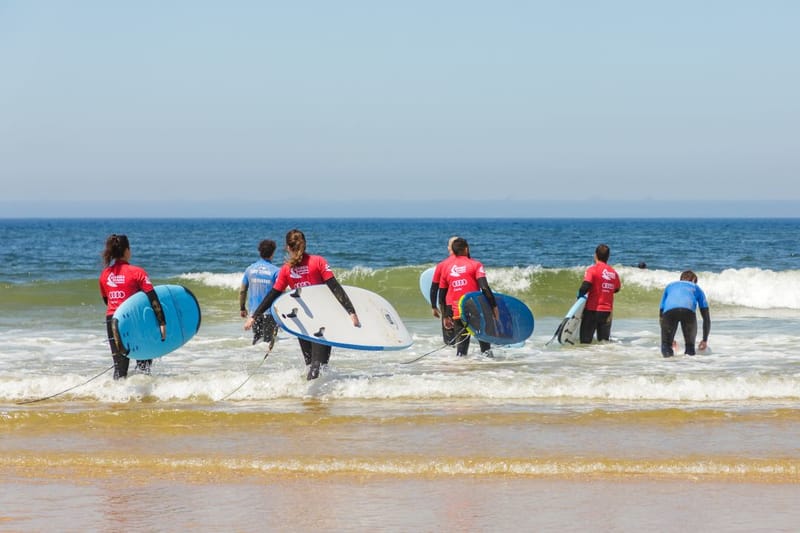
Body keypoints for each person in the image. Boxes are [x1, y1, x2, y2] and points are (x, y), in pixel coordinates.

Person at [244, 229, 361, 380]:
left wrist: (254, 316)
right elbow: (335, 287)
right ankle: (316, 393)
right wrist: (351, 311)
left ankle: (310, 393)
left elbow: (272, 295)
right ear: (304, 244)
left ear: (287, 247)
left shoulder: (286, 269)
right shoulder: (318, 261)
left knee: (311, 366)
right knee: (319, 366)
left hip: (301, 322)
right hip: (322, 321)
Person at [99, 234, 166, 380]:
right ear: (126, 250)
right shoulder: (137, 272)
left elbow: (107, 300)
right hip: (135, 320)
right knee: (144, 366)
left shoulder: (105, 274)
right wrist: (162, 322)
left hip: (113, 321)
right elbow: (153, 298)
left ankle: (117, 393)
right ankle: (143, 393)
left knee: (119, 369)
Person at [438, 237, 499, 357]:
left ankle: (461, 367)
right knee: (485, 348)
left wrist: (445, 316)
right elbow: (484, 287)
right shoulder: (475, 265)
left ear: (453, 250)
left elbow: (441, 295)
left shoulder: (446, 269)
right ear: (466, 249)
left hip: (458, 312)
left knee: (461, 350)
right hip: (476, 311)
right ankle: (489, 366)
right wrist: (494, 307)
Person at [659, 270, 711, 357]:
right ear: (693, 280)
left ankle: (668, 364)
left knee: (666, 345)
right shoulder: (696, 288)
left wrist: (668, 337)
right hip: (688, 312)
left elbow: (661, 313)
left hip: (669, 313)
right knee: (690, 347)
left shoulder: (669, 286)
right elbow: (706, 318)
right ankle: (688, 364)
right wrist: (704, 340)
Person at [578, 243, 621, 343]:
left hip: (592, 311)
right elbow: (617, 289)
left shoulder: (592, 270)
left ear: (595, 255)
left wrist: (579, 298)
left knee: (585, 342)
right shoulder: (613, 273)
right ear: (608, 257)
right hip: (607, 312)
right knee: (603, 343)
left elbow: (585, 286)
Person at [240, 239, 280, 345]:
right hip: (270, 313)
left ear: (260, 252)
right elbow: (280, 292)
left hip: (254, 312)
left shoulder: (249, 269)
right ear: (273, 253)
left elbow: (243, 290)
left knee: (257, 338)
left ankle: (252, 354)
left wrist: (242, 308)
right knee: (268, 342)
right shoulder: (276, 271)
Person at [429, 235, 460, 346]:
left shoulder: (442, 265)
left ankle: (451, 354)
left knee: (449, 336)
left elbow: (434, 287)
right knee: (464, 333)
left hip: (448, 304)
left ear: (449, 248)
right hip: (466, 302)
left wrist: (434, 306)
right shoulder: (470, 263)